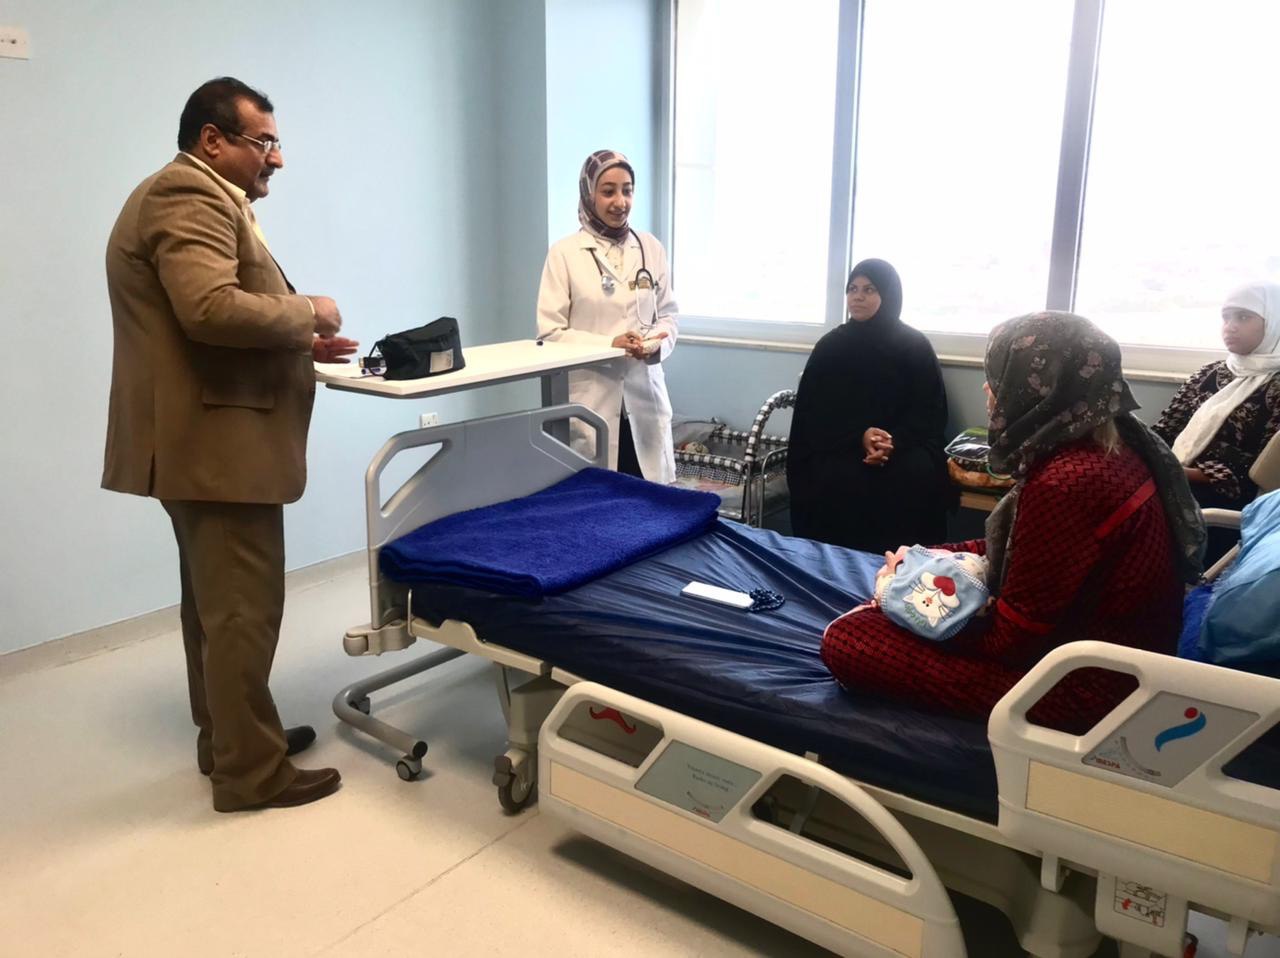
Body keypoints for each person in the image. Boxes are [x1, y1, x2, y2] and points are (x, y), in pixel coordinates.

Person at [102, 78, 358, 811]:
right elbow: (209, 308)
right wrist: (309, 312)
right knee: (243, 610)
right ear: (213, 140)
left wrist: (300, 344)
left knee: (216, 608)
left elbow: (212, 316)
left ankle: (231, 741)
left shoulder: (204, 196)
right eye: (264, 142)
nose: (276, 158)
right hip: (215, 446)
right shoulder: (188, 194)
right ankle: (251, 773)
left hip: (205, 441)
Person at [822, 312, 1206, 732]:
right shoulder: (1112, 448)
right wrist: (921, 557)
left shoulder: (1066, 483)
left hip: (1085, 692)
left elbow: (1010, 641)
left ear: (1039, 387)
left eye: (999, 376)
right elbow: (1024, 549)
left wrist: (907, 603)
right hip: (1112, 664)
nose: (988, 388)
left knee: (849, 639)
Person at [786, 259, 951, 552]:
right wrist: (859, 437)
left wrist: (890, 442)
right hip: (841, 446)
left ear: (888, 294)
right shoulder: (830, 347)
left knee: (913, 474)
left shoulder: (914, 346)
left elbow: (930, 411)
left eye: (869, 289)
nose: (858, 297)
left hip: (902, 447)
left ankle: (900, 571)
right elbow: (814, 415)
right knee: (835, 477)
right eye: (852, 289)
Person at [536, 150, 678, 482]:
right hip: (592, 402)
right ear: (589, 194)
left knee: (652, 499)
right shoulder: (564, 254)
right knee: (600, 499)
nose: (620, 202)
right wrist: (608, 345)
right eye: (608, 191)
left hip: (645, 399)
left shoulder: (650, 248)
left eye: (627, 190)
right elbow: (550, 333)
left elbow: (668, 316)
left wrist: (656, 344)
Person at [1153, 282, 1280, 564]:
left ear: (1273, 322)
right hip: (1175, 476)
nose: (1230, 327)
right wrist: (1144, 455)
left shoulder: (1276, 386)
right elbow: (1164, 431)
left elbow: (1261, 474)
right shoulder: (1210, 374)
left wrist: (1178, 473)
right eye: (1226, 317)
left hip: (1227, 499)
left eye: (1243, 317)